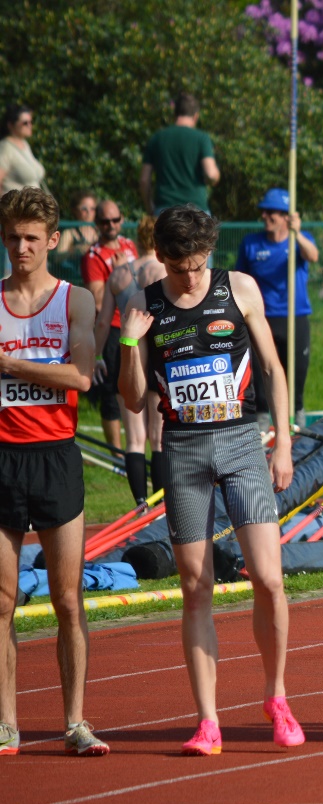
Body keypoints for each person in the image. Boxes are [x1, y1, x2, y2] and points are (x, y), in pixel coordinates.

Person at [117, 205, 303, 755]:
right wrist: (130, 344)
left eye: (198, 265)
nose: (191, 277)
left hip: (243, 444)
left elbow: (272, 368)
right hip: (183, 450)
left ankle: (277, 696)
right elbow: (131, 398)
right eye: (179, 268)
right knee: (195, 589)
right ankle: (208, 721)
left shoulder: (239, 288)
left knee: (269, 579)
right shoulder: (144, 304)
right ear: (162, 260)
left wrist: (284, 442)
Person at [0, 188, 107, 756]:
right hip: (2, 458)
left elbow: (82, 377)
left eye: (32, 239)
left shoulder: (74, 302)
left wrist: (13, 364)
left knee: (67, 599)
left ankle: (74, 722)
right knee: (2, 598)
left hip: (55, 455)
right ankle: (7, 724)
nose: (22, 247)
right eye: (13, 237)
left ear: (53, 241)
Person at [236, 188, 319, 429]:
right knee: (262, 371)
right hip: (262, 318)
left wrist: (297, 234)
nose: (265, 216)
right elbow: (239, 277)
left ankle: (296, 418)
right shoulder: (251, 244)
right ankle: (262, 420)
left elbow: (313, 256)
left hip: (295, 316)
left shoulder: (300, 241)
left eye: (271, 212)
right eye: (263, 211)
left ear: (286, 216)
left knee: (297, 370)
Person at [98, 215, 168, 501]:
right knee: (158, 436)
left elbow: (103, 322)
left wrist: (95, 355)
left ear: (138, 240)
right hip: (154, 354)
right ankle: (161, 502)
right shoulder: (163, 271)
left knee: (134, 438)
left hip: (126, 351)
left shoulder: (118, 275)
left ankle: (140, 502)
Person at [82, 200, 139, 489]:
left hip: (138, 323)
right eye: (105, 222)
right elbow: (97, 297)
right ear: (97, 224)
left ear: (122, 219)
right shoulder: (94, 255)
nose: (111, 226)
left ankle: (136, 450)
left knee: (137, 389)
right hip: (114, 327)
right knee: (113, 391)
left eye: (115, 220)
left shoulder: (131, 245)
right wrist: (120, 274)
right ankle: (118, 455)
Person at [140, 93, 220, 215]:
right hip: (196, 211)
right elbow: (211, 174)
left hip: (165, 210)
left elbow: (144, 180)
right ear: (196, 116)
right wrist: (215, 178)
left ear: (175, 114)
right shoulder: (201, 138)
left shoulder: (156, 138)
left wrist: (149, 207)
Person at [0, 105, 44, 195]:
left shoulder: (25, 144)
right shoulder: (5, 148)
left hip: (33, 206)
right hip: (16, 207)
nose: (29, 125)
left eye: (31, 122)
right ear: (11, 125)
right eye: (25, 123)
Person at [54, 191, 98, 264]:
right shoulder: (69, 233)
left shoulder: (100, 232)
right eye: (84, 209)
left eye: (92, 209)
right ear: (75, 210)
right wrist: (74, 251)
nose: (88, 212)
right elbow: (57, 258)